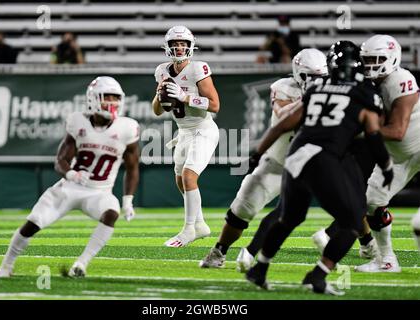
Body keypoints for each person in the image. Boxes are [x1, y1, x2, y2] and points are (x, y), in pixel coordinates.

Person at [245, 43, 393, 295]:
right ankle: (318, 275)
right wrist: (386, 165)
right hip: (323, 159)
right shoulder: (364, 93)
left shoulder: (315, 89)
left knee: (288, 218)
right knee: (353, 222)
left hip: (296, 155)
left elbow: (281, 125)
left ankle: (259, 268)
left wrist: (258, 152)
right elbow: (373, 135)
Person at [0, 76, 140, 278]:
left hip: (99, 193)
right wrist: (71, 173)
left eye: (116, 98)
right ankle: (6, 266)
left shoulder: (127, 128)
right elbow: (60, 160)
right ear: (93, 98)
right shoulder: (78, 122)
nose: (112, 103)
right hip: (70, 187)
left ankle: (80, 265)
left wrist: (128, 200)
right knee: (34, 222)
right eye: (107, 97)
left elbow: (133, 167)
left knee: (111, 211)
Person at [199, 48, 328, 269]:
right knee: (241, 209)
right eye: (310, 77)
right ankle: (219, 250)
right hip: (277, 162)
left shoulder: (333, 91)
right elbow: (283, 114)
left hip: (314, 165)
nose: (316, 82)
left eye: (321, 77)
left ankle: (369, 244)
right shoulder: (283, 87)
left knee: (355, 200)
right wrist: (311, 101)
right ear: (298, 74)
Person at [351, 35, 420, 272]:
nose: (371, 65)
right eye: (367, 60)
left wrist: (356, 132)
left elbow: (398, 130)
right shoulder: (366, 83)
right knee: (372, 202)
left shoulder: (400, 80)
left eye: (377, 59)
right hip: (398, 155)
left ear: (392, 57)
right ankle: (387, 261)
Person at [152, 25, 220, 247]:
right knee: (181, 181)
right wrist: (160, 93)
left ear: (190, 46)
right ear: (168, 47)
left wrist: (185, 97)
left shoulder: (198, 69)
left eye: (183, 44)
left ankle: (188, 230)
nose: (179, 48)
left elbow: (215, 105)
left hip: (203, 129)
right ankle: (200, 224)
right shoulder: (162, 71)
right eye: (175, 44)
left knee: (190, 177)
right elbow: (157, 110)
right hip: (183, 132)